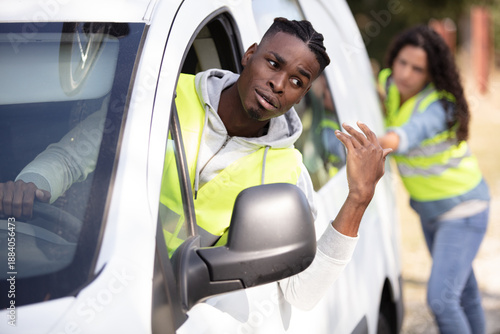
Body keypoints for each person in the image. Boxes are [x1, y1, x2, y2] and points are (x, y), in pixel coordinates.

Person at [0, 17, 391, 310]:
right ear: (250, 54)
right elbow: (72, 156)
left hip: (176, 306)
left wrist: (358, 198)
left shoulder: (288, 173)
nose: (279, 83)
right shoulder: (163, 97)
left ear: (303, 93)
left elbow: (302, 294)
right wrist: (31, 185)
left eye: (297, 80)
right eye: (274, 63)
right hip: (94, 277)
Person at [378, 25, 490, 333]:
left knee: (441, 300)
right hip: (430, 213)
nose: (405, 74)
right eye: (402, 62)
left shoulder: (439, 106)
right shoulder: (387, 83)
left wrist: (366, 146)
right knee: (464, 294)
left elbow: (406, 134)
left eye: (417, 69)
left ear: (431, 73)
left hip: (463, 211)